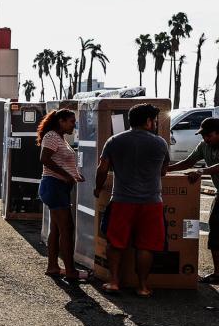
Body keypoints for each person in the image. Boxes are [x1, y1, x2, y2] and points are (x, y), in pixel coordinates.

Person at [93, 103, 169, 297]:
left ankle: (114, 282)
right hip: (152, 202)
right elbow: (163, 170)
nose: (154, 124)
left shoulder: (114, 141)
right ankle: (143, 286)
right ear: (147, 121)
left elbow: (102, 169)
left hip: (122, 201)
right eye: (153, 120)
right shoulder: (160, 143)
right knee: (146, 245)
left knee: (115, 242)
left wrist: (97, 188)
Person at [169, 116, 219, 284]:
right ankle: (218, 273)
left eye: (209, 135)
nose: (206, 139)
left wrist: (201, 172)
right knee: (216, 230)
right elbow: (189, 162)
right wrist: (167, 169)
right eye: (204, 135)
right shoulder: (204, 145)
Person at [37, 108, 84, 282]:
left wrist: (75, 175)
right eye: (71, 121)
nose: (74, 125)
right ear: (61, 121)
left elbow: (61, 161)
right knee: (67, 228)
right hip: (54, 185)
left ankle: (53, 267)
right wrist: (66, 175)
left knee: (57, 228)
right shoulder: (51, 136)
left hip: (58, 186)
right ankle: (71, 271)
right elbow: (45, 159)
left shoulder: (60, 138)